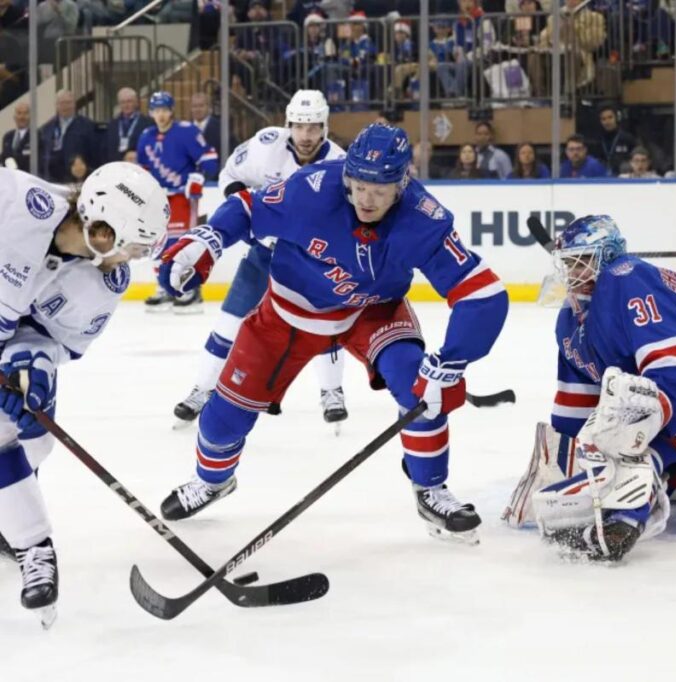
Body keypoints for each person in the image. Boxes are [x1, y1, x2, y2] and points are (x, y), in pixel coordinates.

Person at [155, 124, 509, 545]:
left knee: (419, 385)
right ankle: (212, 481)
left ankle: (429, 488)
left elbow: (482, 293)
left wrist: (450, 362)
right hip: (288, 314)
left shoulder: (423, 217)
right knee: (223, 420)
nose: (366, 200)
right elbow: (248, 208)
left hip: (372, 311)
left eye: (379, 191)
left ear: (402, 184)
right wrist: (209, 237)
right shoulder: (312, 189)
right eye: (359, 187)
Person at [503, 215, 676, 561]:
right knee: (620, 417)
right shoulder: (569, 322)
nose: (573, 272)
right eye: (569, 263)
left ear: (607, 256)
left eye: (582, 260)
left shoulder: (626, 277)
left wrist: (636, 448)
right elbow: (575, 411)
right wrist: (567, 467)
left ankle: (628, 516)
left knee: (631, 414)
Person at [0, 161, 168, 626]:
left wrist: (33, 360)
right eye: (134, 246)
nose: (133, 258)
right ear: (103, 231)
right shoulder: (15, 204)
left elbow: (57, 340)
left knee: (34, 438)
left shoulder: (103, 282)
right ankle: (33, 545)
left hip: (9, 341)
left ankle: (15, 521)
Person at [172, 90, 351, 429]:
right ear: (288, 124)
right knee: (228, 322)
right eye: (300, 126)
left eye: (314, 127)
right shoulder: (267, 145)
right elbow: (229, 176)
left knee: (326, 327)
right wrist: (244, 214)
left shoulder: (340, 164)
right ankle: (202, 389)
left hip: (311, 263)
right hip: (264, 254)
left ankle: (332, 391)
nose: (306, 135)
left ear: (325, 127)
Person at [136, 91, 219, 313]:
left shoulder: (186, 132)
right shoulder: (146, 136)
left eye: (165, 110)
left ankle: (190, 290)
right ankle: (165, 287)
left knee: (182, 244)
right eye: (156, 110)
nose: (161, 115)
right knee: (158, 244)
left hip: (182, 197)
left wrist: (199, 177)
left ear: (172, 110)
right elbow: (143, 168)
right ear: (151, 112)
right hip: (158, 200)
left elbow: (210, 160)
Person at [40, 90, 96, 184]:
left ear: (74, 104)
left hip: (78, 179)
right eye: (62, 103)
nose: (65, 106)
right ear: (56, 105)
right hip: (52, 180)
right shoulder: (47, 128)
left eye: (68, 103)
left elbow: (94, 154)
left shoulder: (87, 125)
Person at [102, 87, 153, 164]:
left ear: (136, 102)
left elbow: (150, 148)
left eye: (129, 101)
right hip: (116, 165)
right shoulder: (112, 125)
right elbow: (107, 150)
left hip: (137, 165)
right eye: (123, 102)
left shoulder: (148, 123)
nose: (126, 105)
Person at [1, 100, 30, 172]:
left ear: (30, 116)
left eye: (25, 113)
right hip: (9, 177)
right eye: (19, 113)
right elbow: (4, 157)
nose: (22, 117)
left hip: (27, 177)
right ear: (14, 117)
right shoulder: (7, 137)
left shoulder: (36, 136)